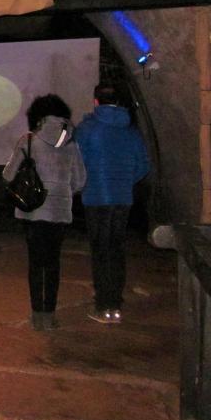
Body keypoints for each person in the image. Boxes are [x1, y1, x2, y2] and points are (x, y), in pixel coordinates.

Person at [3, 95, 86, 331]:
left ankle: (36, 314)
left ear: (37, 116)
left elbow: (8, 175)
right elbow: (80, 180)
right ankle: (49, 315)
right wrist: (63, 190)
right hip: (59, 212)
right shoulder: (71, 144)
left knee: (35, 263)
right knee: (52, 263)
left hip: (33, 211)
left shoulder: (28, 141)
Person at [75, 84, 150, 325]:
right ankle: (115, 304)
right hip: (122, 198)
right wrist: (125, 180)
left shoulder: (87, 129)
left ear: (96, 101)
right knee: (116, 249)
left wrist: (83, 183)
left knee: (100, 250)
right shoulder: (131, 131)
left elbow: (77, 162)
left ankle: (103, 305)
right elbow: (143, 165)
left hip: (96, 197)